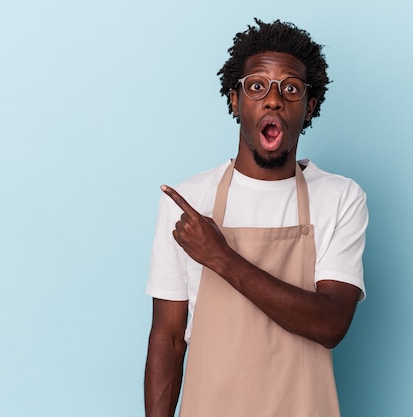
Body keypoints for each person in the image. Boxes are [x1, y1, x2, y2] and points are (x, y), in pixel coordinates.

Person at [144, 18, 368, 417]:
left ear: (309, 106)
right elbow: (169, 337)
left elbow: (331, 323)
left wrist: (220, 257)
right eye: (257, 86)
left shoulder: (339, 197)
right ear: (235, 100)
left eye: (291, 88)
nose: (273, 99)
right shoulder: (190, 201)